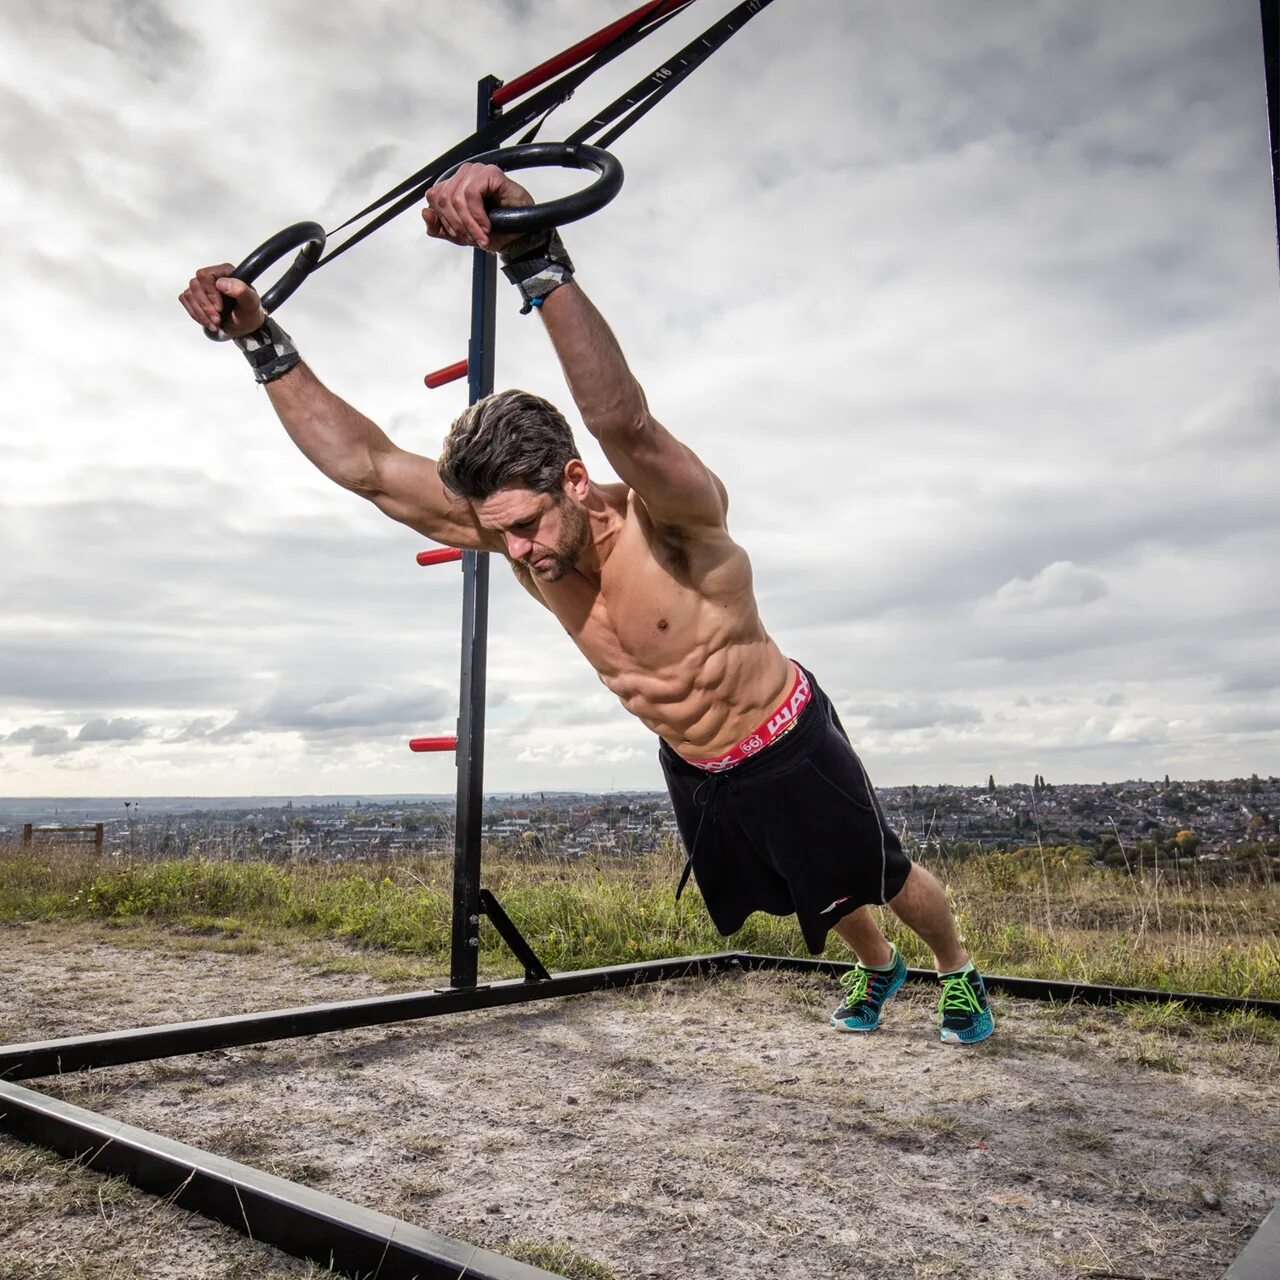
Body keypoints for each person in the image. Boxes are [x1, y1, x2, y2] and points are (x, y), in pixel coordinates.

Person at [179, 162, 995, 1045]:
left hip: (785, 736)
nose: (517, 553)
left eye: (528, 525)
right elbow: (368, 468)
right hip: (696, 760)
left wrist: (534, 254)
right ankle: (880, 969)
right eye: (503, 534)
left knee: (875, 869)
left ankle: (956, 969)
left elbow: (625, 424)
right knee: (811, 884)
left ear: (572, 480)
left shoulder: (674, 524)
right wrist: (262, 341)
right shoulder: (515, 531)